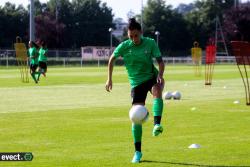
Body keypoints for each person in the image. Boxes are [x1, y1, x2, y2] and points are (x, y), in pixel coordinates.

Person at [105, 18, 165, 163]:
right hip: (136, 84)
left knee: (157, 90)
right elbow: (111, 59)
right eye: (131, 36)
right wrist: (109, 79)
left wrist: (160, 75)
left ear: (141, 33)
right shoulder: (124, 46)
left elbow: (160, 61)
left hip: (151, 76)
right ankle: (137, 152)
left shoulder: (150, 42)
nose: (133, 39)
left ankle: (157, 124)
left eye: (136, 36)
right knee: (135, 117)